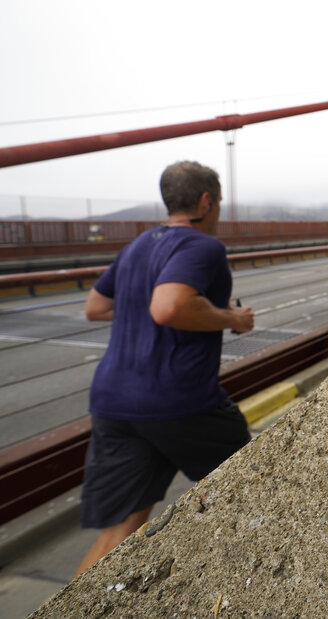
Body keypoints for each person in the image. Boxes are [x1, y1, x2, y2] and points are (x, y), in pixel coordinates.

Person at [75, 160, 254, 577]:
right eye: (220, 203)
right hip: (180, 403)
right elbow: (169, 306)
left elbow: (95, 307)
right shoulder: (203, 246)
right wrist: (232, 319)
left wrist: (159, 307)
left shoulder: (137, 245)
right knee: (256, 486)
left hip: (113, 405)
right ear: (207, 201)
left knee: (119, 532)